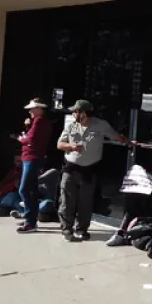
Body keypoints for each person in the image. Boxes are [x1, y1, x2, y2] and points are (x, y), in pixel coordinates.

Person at [56, 100, 131, 242]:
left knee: (86, 202)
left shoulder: (100, 125)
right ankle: (67, 229)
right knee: (66, 200)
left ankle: (81, 230)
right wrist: (71, 146)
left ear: (83, 113)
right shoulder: (71, 125)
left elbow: (116, 137)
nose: (73, 114)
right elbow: (59, 144)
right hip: (70, 168)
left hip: (89, 170)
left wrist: (129, 142)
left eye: (76, 111)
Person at [12, 98, 52, 233]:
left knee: (24, 189)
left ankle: (30, 221)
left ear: (39, 109)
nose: (30, 111)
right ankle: (31, 218)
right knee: (32, 190)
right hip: (32, 157)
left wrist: (20, 138)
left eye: (32, 108)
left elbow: (30, 139)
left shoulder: (39, 121)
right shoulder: (40, 122)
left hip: (32, 158)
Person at [106, 164, 152, 246]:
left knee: (140, 239)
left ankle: (133, 239)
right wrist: (121, 230)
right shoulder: (139, 195)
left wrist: (140, 219)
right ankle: (123, 235)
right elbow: (130, 212)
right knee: (135, 232)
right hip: (142, 223)